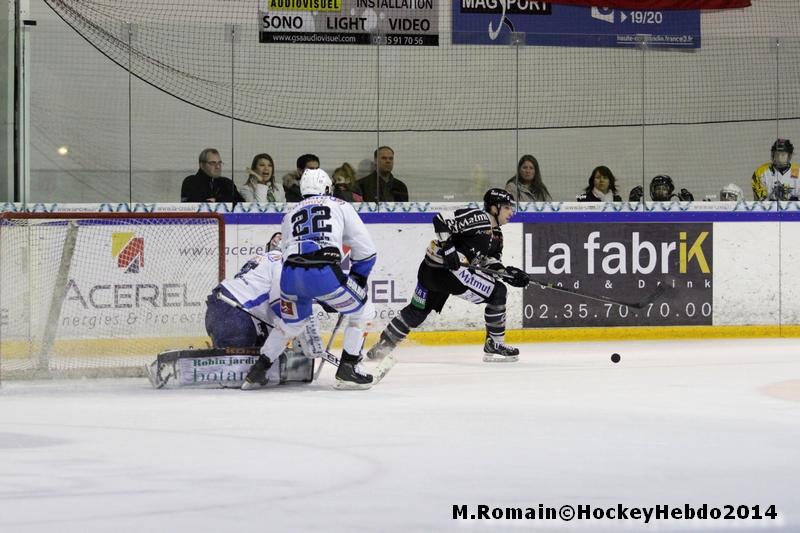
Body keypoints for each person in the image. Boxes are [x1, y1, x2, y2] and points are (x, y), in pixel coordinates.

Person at [245, 168, 378, 390]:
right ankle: (349, 368)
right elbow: (366, 252)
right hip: (323, 274)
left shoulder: (290, 214)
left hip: (290, 277)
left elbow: (286, 252)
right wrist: (357, 281)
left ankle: (257, 372)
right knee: (364, 311)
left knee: (291, 325)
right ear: (327, 188)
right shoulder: (340, 205)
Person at [366, 188, 529, 364]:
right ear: (494, 208)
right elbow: (441, 220)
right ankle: (495, 343)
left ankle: (382, 346)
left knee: (417, 311)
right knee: (498, 292)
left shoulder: (497, 236)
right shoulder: (479, 218)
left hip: (432, 272)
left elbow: (488, 262)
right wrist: (449, 248)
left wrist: (506, 273)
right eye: (507, 207)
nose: (511, 212)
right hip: (446, 274)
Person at [204, 232, 318, 388]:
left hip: (217, 305)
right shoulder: (284, 264)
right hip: (236, 318)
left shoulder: (263, 258)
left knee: (263, 342)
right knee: (244, 368)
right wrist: (294, 328)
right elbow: (278, 303)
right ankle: (225, 352)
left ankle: (221, 347)